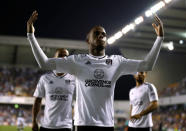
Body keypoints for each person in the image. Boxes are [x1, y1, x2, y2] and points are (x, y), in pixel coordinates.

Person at [27, 10, 164, 131]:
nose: (101, 36)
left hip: (107, 125)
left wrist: (159, 39)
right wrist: (31, 36)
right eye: (97, 33)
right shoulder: (76, 61)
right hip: (83, 124)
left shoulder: (117, 62)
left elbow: (147, 65)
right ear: (89, 40)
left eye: (103, 34)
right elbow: (44, 63)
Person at [32, 48, 76, 131]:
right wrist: (34, 121)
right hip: (46, 126)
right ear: (54, 58)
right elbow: (37, 100)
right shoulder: (45, 78)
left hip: (65, 126)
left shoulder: (74, 79)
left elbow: (79, 102)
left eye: (66, 56)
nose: (63, 58)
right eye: (60, 55)